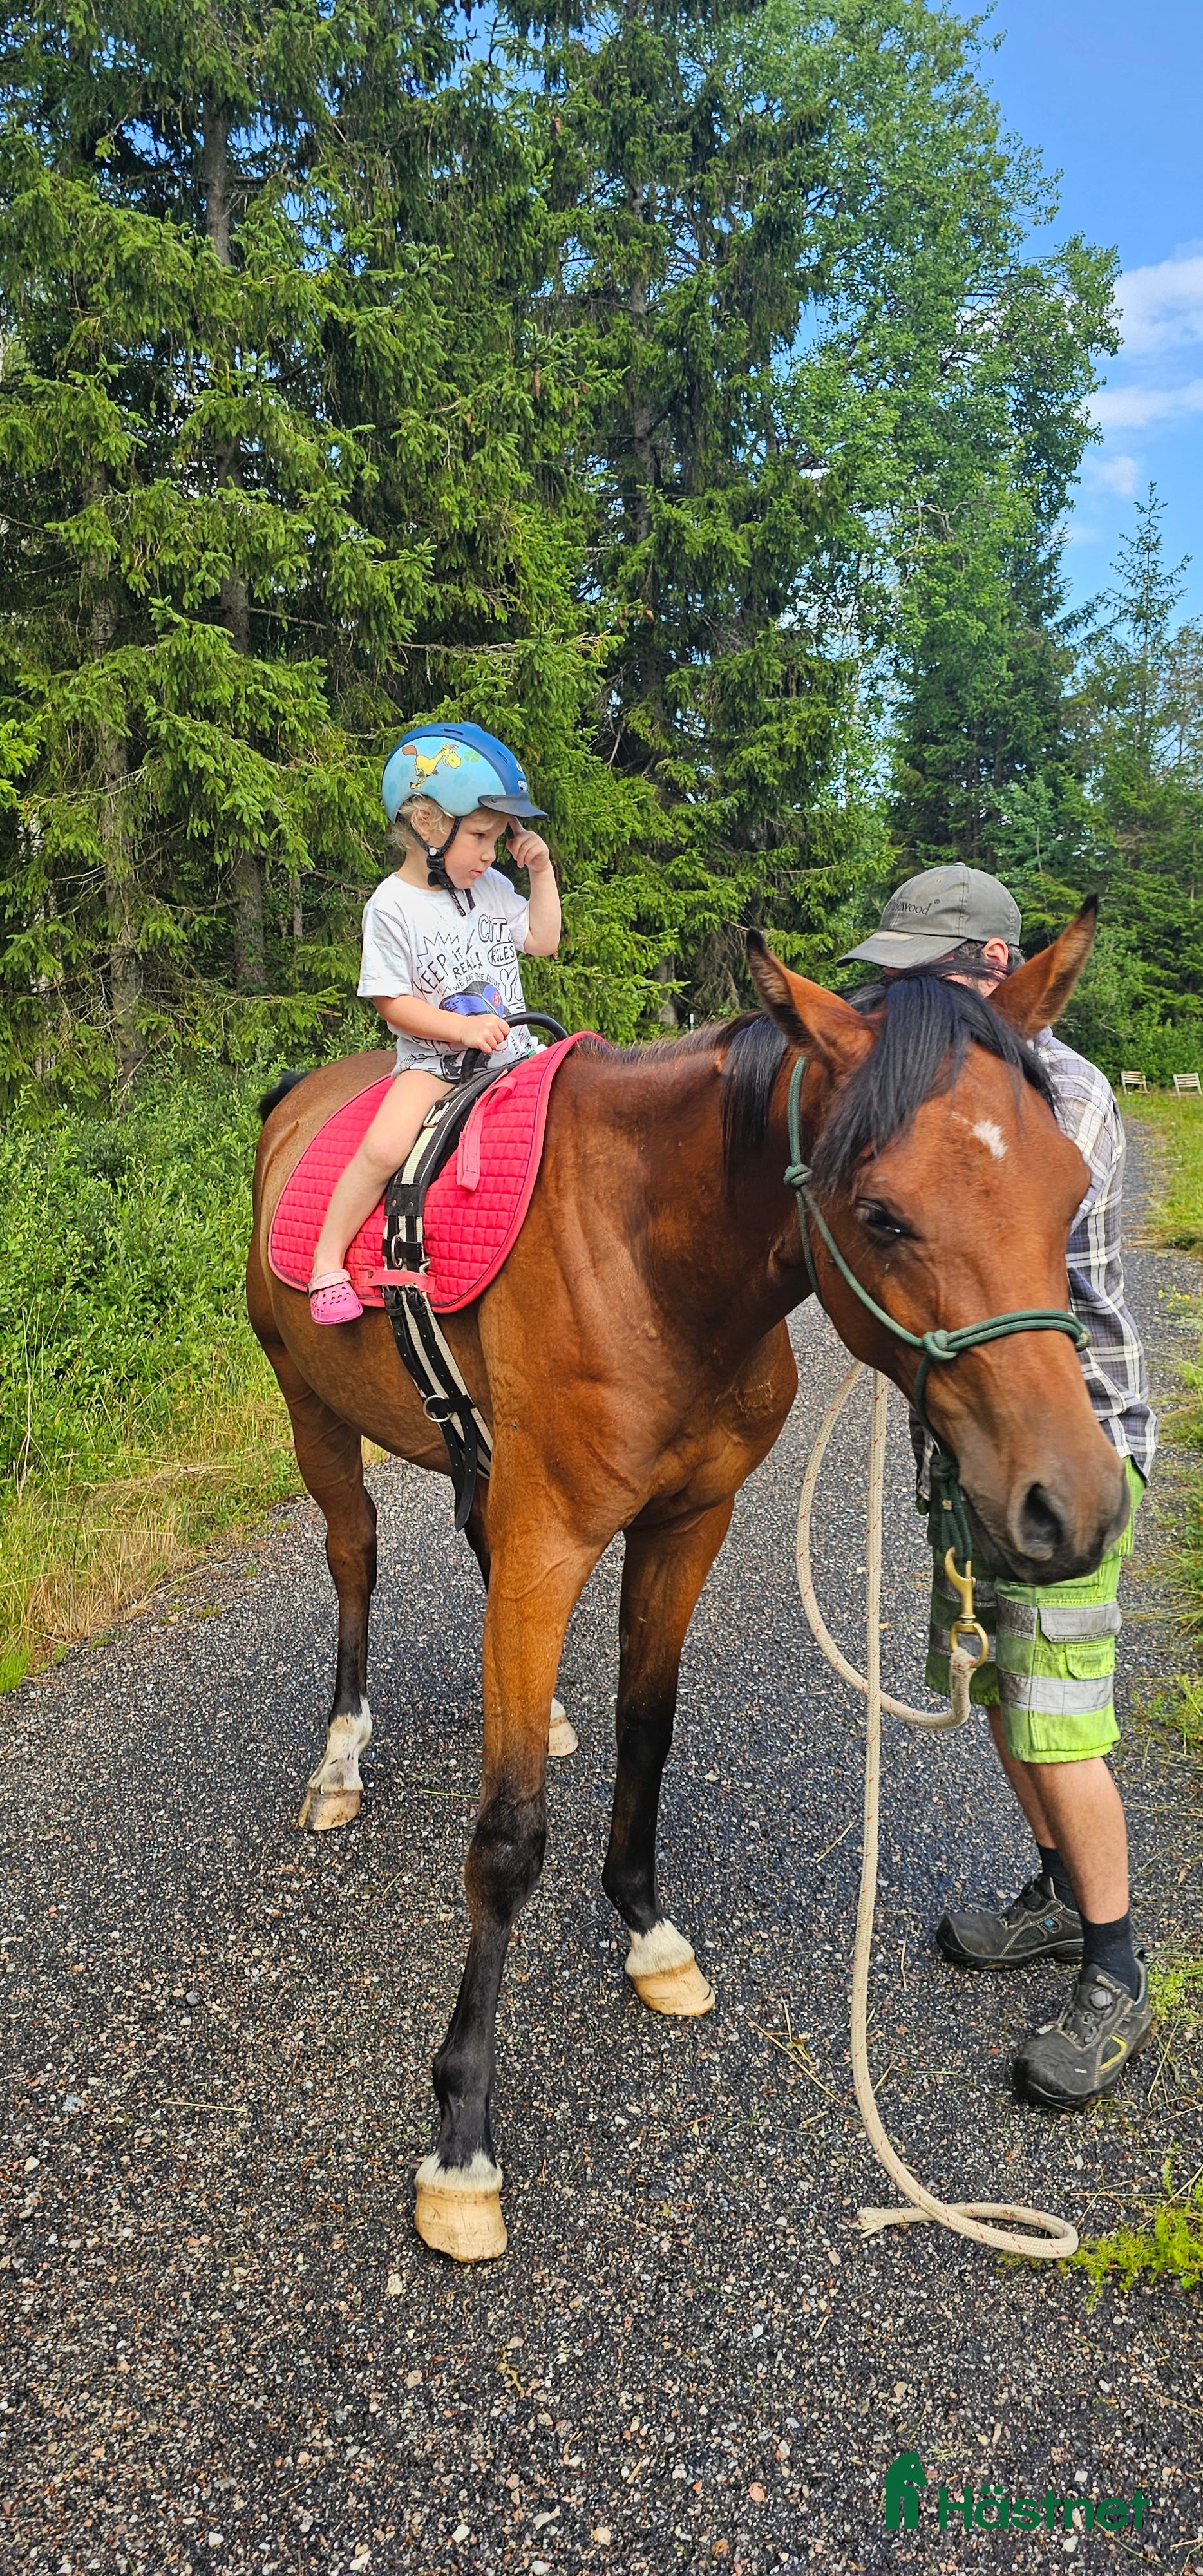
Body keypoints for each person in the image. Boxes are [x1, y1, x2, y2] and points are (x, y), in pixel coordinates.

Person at [838, 864, 1158, 2110]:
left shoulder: (1051, 1091)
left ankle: (1114, 1968)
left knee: (1057, 1721)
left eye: (915, 979)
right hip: (976, 1446)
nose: (893, 1004)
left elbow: (979, 1238)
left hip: (1066, 1446)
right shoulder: (948, 1082)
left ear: (991, 971)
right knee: (996, 1691)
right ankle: (1054, 1889)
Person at [308, 723, 562, 1324]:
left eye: (498, 838)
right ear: (427, 824)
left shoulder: (492, 887)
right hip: (434, 1066)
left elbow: (544, 940)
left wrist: (542, 872)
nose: (491, 853)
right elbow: (391, 1001)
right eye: (479, 836)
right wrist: (461, 1031)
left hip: (516, 1056)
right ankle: (326, 1263)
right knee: (385, 1147)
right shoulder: (391, 906)